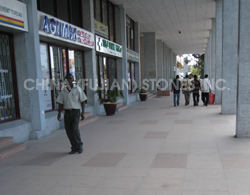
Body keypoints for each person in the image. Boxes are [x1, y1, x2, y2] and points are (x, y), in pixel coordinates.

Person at [57, 73, 87, 154]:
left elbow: (83, 101)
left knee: (75, 129)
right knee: (69, 131)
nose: (69, 80)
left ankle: (79, 145)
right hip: (67, 113)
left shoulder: (77, 89)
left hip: (76, 112)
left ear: (73, 80)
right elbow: (60, 102)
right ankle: (74, 147)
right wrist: (59, 113)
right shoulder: (63, 91)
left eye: (70, 78)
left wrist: (82, 113)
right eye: (67, 79)